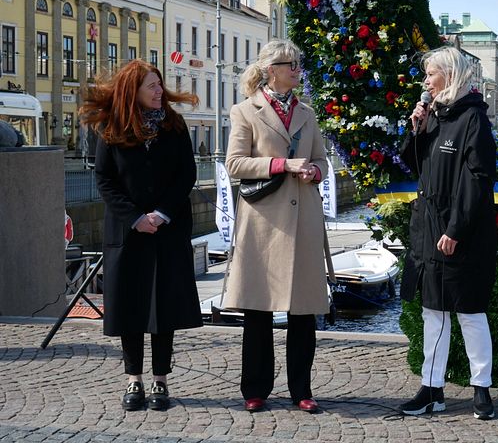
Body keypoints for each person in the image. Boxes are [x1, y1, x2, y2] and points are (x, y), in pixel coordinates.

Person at [79, 60, 202, 411]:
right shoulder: (110, 128)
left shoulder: (174, 125)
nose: (159, 91)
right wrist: (135, 218)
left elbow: (186, 175)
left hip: (168, 229)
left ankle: (160, 381)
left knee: (163, 307)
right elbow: (105, 180)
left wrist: (161, 213)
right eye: (152, 86)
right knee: (130, 308)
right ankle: (134, 380)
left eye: (160, 85)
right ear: (133, 90)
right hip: (128, 232)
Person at [223, 39, 330, 414]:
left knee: (303, 311)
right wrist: (282, 165)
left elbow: (321, 159)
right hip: (263, 223)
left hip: (303, 220)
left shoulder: (308, 113)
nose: (298, 71)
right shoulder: (245, 111)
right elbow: (235, 164)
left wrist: (315, 169)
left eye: (299, 64)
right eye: (293, 65)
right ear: (272, 70)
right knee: (258, 310)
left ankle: (302, 388)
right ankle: (255, 389)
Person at [398, 46, 498, 420]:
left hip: (462, 232)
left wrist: (456, 227)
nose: (425, 82)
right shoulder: (433, 116)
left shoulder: (473, 118)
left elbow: (477, 178)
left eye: (431, 74)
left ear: (450, 76)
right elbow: (411, 163)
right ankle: (431, 389)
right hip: (428, 228)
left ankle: (481, 388)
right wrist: (416, 128)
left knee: (470, 313)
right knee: (433, 314)